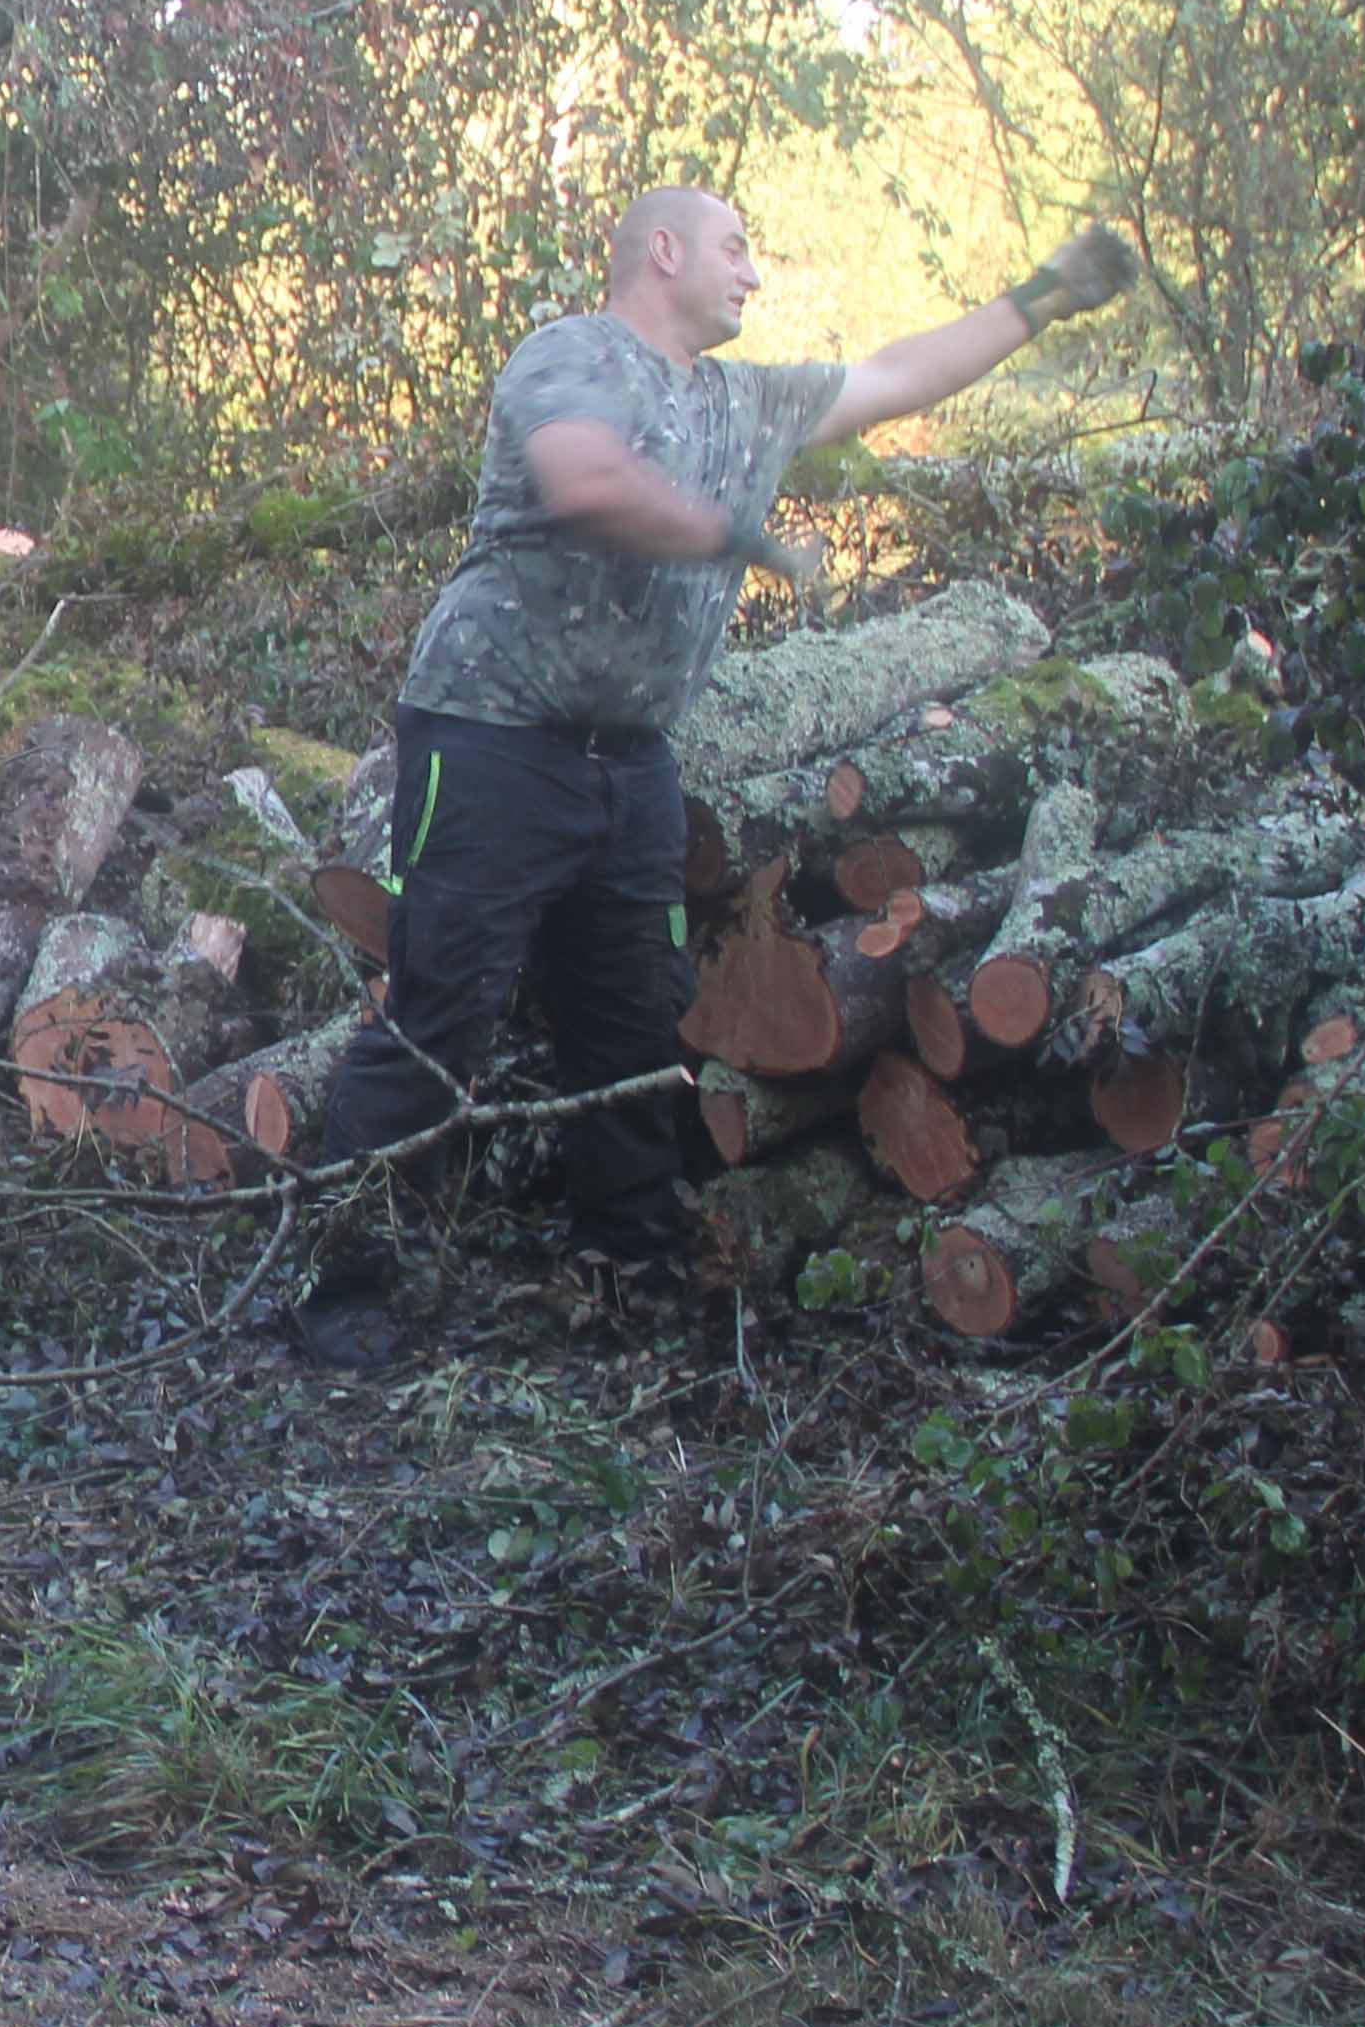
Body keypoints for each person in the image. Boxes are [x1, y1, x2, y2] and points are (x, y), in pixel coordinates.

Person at [293, 188, 1136, 1363]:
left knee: (635, 1027)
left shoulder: (753, 398)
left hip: (629, 762)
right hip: (491, 737)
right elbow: (588, 481)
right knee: (443, 1012)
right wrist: (742, 538)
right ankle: (345, 1289)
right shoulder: (573, 356)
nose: (754, 275)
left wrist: (1040, 301)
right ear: (666, 251)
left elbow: (900, 374)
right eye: (738, 248)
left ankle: (627, 1271)